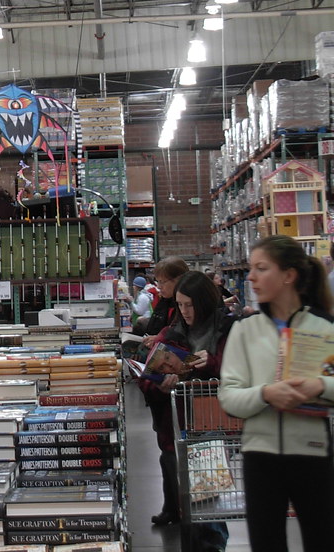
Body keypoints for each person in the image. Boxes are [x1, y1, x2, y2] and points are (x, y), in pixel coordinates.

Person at [219, 235, 334, 552]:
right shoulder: (244, 330)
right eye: (251, 269)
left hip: (313, 453)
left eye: (261, 268)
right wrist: (266, 394)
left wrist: (320, 385)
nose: (251, 277)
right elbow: (229, 397)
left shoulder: (325, 328)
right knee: (266, 543)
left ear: (288, 275)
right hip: (260, 458)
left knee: (323, 540)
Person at [138, 271, 234, 544]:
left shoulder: (228, 331)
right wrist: (160, 385)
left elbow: (239, 372)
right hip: (177, 429)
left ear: (205, 302)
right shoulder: (172, 334)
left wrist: (211, 364)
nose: (185, 311)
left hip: (213, 427)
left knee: (209, 508)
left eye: (190, 304)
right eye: (180, 305)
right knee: (189, 513)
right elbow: (146, 379)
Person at [140, 257, 189, 340]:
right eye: (157, 281)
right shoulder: (164, 302)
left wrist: (161, 339)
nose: (159, 286)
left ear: (178, 280)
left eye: (162, 282)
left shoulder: (187, 306)